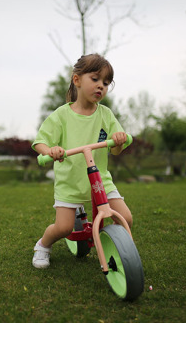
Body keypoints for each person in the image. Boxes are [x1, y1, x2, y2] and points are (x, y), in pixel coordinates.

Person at [32, 53, 133, 268]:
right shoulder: (62, 115)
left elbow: (116, 150)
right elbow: (40, 143)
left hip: (100, 180)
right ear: (77, 80)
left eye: (106, 83)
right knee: (64, 228)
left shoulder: (105, 114)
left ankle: (114, 248)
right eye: (95, 79)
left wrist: (118, 140)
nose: (101, 87)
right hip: (70, 182)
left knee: (125, 218)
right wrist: (52, 150)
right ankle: (43, 245)